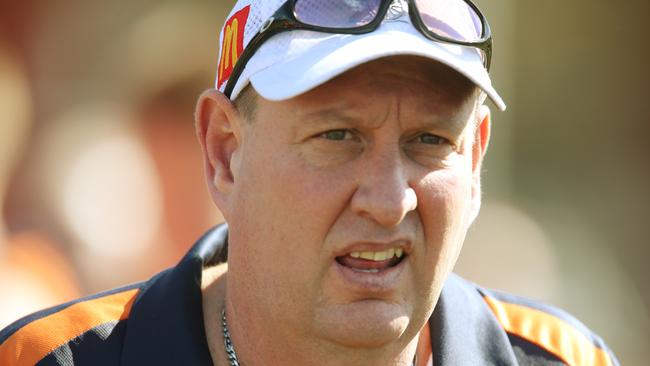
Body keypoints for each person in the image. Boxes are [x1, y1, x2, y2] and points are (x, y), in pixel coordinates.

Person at [0, 0, 619, 365]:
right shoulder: (49, 359)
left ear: (476, 160)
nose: (387, 199)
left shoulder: (564, 358)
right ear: (225, 153)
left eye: (430, 140)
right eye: (337, 137)